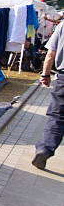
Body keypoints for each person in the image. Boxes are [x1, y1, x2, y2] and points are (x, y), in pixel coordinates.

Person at [33, 22, 64, 169]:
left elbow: (50, 53)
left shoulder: (63, 25)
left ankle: (44, 149)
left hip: (63, 80)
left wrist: (45, 74)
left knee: (57, 117)